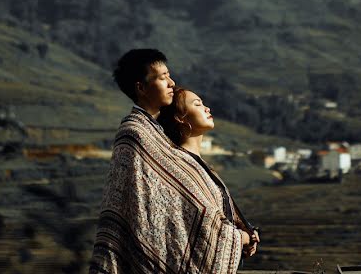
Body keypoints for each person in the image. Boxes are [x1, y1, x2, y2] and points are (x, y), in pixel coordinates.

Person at [89, 49, 252, 273]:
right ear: (141, 88)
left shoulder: (159, 136)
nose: (171, 83)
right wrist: (237, 237)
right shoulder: (135, 133)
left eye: (169, 76)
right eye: (162, 78)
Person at [158, 88, 260, 260]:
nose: (207, 108)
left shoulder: (202, 166)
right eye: (198, 104)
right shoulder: (181, 166)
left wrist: (247, 230)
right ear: (180, 117)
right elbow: (205, 224)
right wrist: (241, 238)